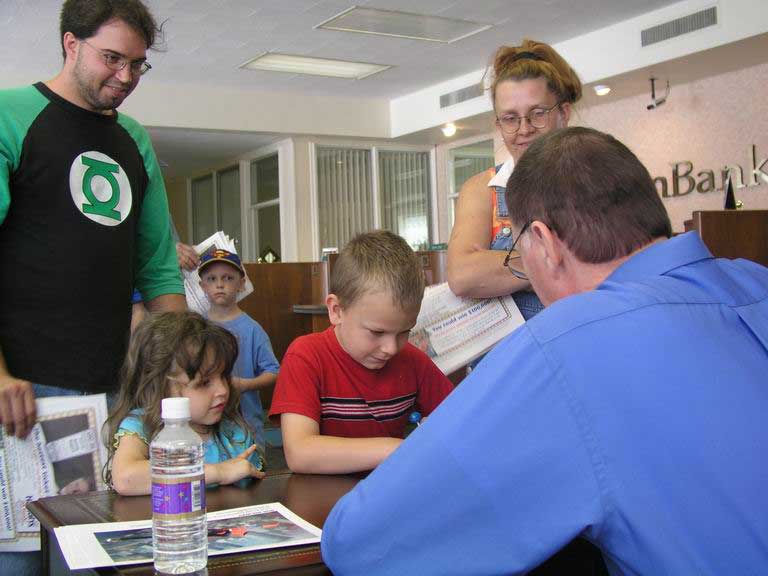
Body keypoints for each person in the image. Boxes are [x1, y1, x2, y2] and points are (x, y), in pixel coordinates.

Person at [321, 128, 768, 575]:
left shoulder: (567, 344)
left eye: (518, 252)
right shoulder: (756, 282)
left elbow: (357, 543)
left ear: (544, 241)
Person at [0, 1, 185, 571]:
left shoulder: (133, 140)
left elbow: (158, 269)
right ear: (70, 43)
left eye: (137, 65)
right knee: (22, 563)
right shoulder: (12, 115)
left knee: (100, 561)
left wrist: (181, 368)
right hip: (21, 397)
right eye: (112, 58)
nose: (125, 77)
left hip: (114, 397)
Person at [269, 230, 454, 474]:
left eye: (404, 332)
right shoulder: (306, 356)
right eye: (376, 333)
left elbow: (460, 418)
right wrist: (398, 450)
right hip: (323, 501)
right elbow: (300, 453)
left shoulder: (412, 360)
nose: (390, 348)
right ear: (336, 310)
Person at [447, 39, 581, 320]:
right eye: (510, 118)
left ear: (563, 113)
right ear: (498, 124)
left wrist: (506, 270)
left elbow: (614, 271)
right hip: (503, 359)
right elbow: (462, 276)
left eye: (538, 114)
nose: (524, 129)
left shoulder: (594, 181)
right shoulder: (482, 190)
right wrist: (559, 263)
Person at [105, 311, 265, 496]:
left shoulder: (232, 431)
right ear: (162, 387)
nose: (222, 390)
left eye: (223, 376)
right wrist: (219, 472)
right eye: (204, 383)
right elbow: (126, 478)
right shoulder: (141, 426)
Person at [197, 248, 279, 459]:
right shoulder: (197, 329)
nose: (220, 284)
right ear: (202, 286)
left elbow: (274, 371)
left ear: (242, 283)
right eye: (212, 279)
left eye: (228, 278)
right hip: (207, 429)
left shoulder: (252, 329)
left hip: (248, 427)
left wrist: (244, 384)